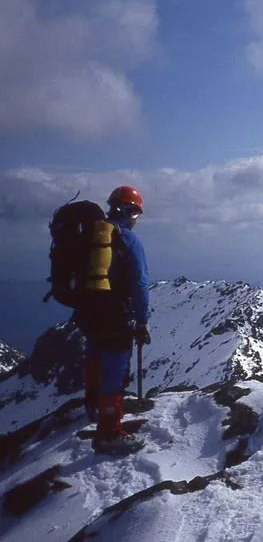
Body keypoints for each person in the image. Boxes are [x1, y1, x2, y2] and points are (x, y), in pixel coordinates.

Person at [78, 186, 151, 455]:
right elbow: (141, 283)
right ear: (131, 211)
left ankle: (93, 406)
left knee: (95, 357)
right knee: (115, 372)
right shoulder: (128, 240)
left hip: (88, 313)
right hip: (116, 316)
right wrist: (142, 321)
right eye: (136, 213)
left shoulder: (91, 235)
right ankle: (109, 433)